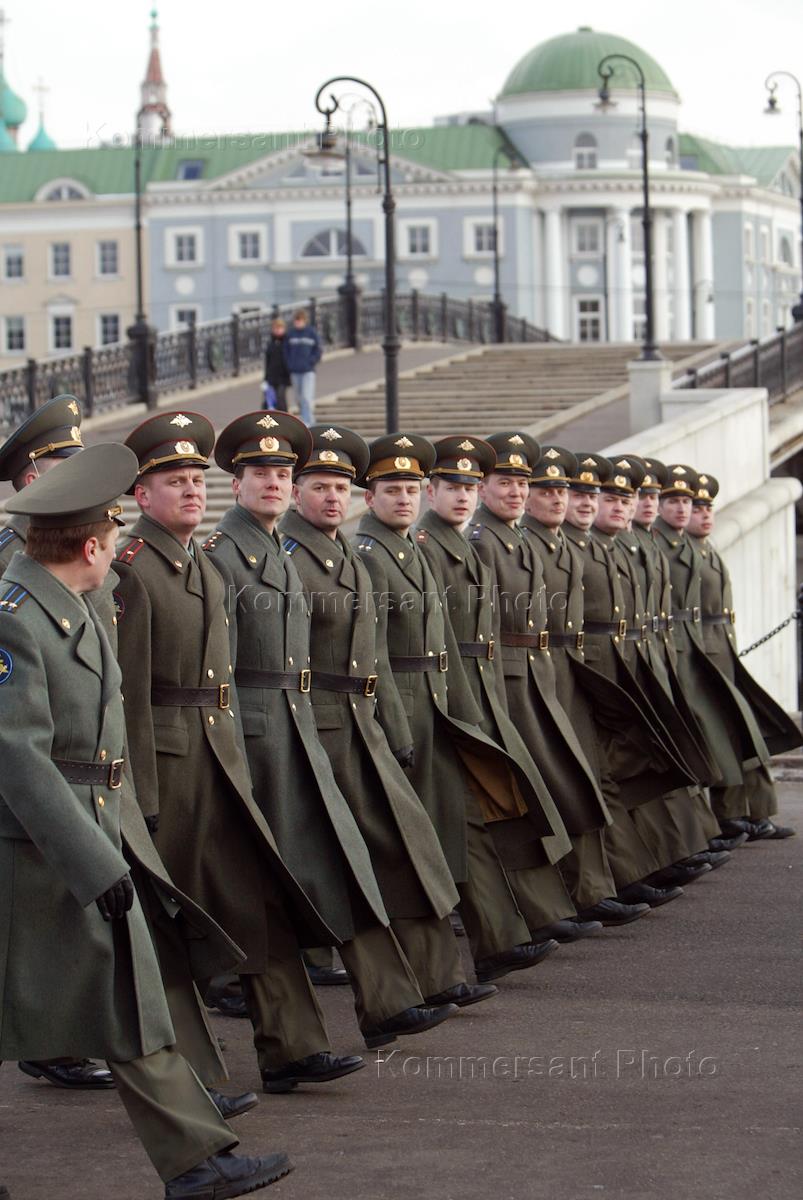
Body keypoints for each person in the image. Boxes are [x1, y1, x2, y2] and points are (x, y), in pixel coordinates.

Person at [0, 442, 290, 1199]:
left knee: (129, 996)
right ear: (92, 546)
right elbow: (17, 756)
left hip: (84, 835)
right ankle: (196, 1161)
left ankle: (195, 1162)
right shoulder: (16, 621)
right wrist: (92, 862)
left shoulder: (69, 605)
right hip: (34, 856)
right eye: (110, 533)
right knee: (67, 1002)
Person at [112, 411, 364, 1092]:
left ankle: (292, 1048)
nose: (193, 491)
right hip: (168, 769)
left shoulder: (198, 561)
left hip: (220, 760)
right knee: (167, 928)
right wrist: (141, 796)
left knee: (258, 901)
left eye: (198, 480)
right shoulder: (133, 571)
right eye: (175, 482)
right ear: (141, 495)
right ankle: (189, 1086)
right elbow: (126, 695)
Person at [202, 410, 457, 1053]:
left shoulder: (280, 551)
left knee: (345, 861)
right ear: (236, 483)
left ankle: (388, 1002)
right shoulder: (227, 556)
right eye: (262, 473)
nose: (274, 483)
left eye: (281, 473)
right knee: (282, 882)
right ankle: (295, 1033)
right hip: (263, 739)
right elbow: (218, 670)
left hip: (304, 729)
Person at [355, 432, 564, 977]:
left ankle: (499, 940)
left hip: (440, 701)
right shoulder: (376, 554)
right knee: (418, 836)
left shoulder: (411, 547)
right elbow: (374, 653)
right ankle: (437, 967)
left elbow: (444, 639)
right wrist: (394, 725)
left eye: (409, 489)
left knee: (467, 820)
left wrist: (467, 712)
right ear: (370, 497)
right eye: (393, 490)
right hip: (405, 708)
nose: (404, 498)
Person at [279, 425, 473, 1011]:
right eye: (320, 486)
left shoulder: (347, 555)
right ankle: (389, 989)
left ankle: (431, 979)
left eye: (340, 487)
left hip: (362, 722)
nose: (332, 497)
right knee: (350, 854)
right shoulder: (294, 558)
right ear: (296, 493)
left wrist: (392, 724)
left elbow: (375, 655)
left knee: (398, 845)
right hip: (317, 727)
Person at [417, 436, 604, 946]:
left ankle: (540, 910)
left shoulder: (490, 539)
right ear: (432, 491)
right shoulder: (453, 542)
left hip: (500, 678)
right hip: (468, 687)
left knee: (518, 797)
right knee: (497, 801)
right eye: (506, 483)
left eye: (522, 483)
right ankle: (520, 917)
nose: (517, 492)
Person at [686, 471, 799, 838]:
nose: (704, 515)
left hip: (723, 648)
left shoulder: (707, 549)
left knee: (745, 731)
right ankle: (732, 815)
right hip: (702, 655)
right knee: (723, 737)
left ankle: (756, 812)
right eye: (696, 508)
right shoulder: (682, 553)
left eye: (708, 508)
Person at [283, 309, 321, 424]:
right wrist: (290, 364)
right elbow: (286, 351)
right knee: (298, 398)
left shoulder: (311, 333)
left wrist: (311, 361)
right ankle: (308, 419)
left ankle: (308, 422)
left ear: (304, 321)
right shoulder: (291, 334)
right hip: (295, 371)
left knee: (306, 397)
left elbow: (318, 350)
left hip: (308, 371)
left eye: (300, 320)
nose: (298, 323)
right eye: (296, 320)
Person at [263, 319, 291, 412]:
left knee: (281, 398)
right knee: (270, 399)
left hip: (283, 376)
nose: (278, 330)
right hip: (272, 376)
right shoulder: (271, 343)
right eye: (276, 328)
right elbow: (268, 361)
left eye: (280, 328)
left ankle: (284, 416)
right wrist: (266, 378)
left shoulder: (287, 342)